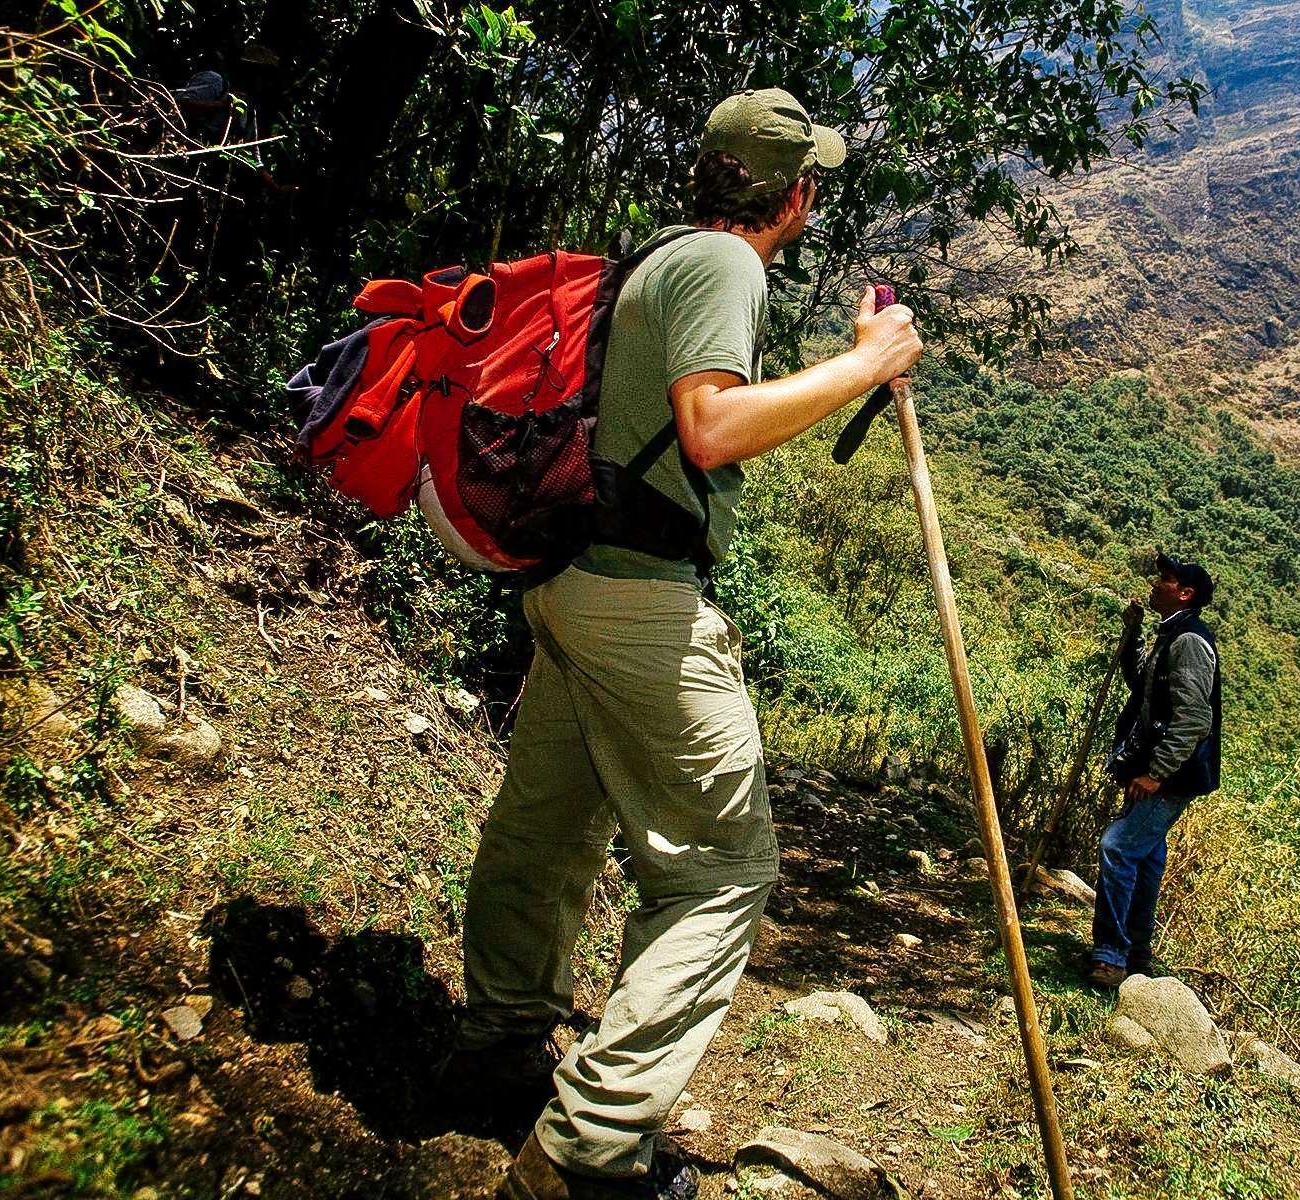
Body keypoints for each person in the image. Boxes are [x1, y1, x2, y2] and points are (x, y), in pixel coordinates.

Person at [451, 89, 924, 1200]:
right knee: (721, 872)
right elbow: (709, 427)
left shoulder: (655, 254)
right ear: (792, 193)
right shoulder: (724, 267)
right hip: (638, 605)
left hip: (570, 580)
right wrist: (868, 363)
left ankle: (496, 1049)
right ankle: (587, 1152)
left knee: (548, 824)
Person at [1084, 553, 1222, 990]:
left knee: (1119, 847)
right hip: (1155, 769)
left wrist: (1157, 773)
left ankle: (1110, 956)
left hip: (1170, 775)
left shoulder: (1189, 642)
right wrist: (1131, 633)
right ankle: (1137, 952)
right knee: (1145, 859)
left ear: (1185, 593)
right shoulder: (1168, 635)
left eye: (1165, 579)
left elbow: (1194, 719)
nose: (1156, 582)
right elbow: (1138, 681)